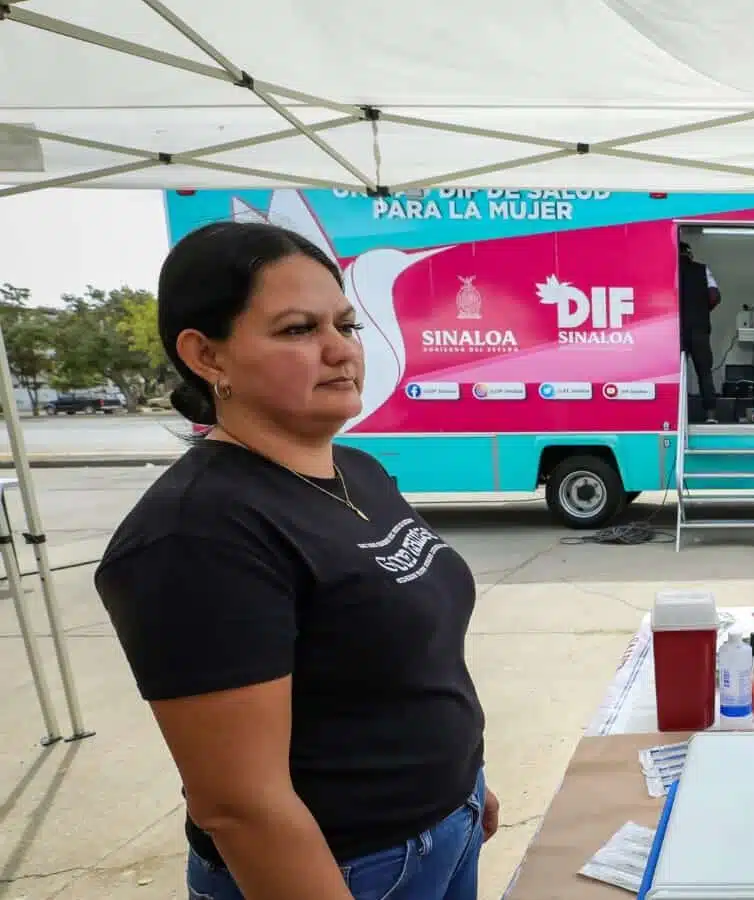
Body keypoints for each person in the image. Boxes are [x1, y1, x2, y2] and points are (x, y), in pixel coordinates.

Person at [95, 221, 496, 900]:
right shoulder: (197, 533)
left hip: (445, 826)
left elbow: (416, 653)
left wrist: (462, 778)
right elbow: (240, 807)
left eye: (346, 324)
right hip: (345, 870)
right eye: (297, 330)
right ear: (207, 355)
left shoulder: (359, 470)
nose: (340, 350)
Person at [679, 239, 722, 423]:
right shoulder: (702, 269)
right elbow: (715, 296)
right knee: (704, 372)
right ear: (690, 255)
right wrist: (702, 309)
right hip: (699, 329)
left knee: (677, 374)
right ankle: (710, 414)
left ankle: (677, 416)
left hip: (676, 330)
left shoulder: (669, 270)